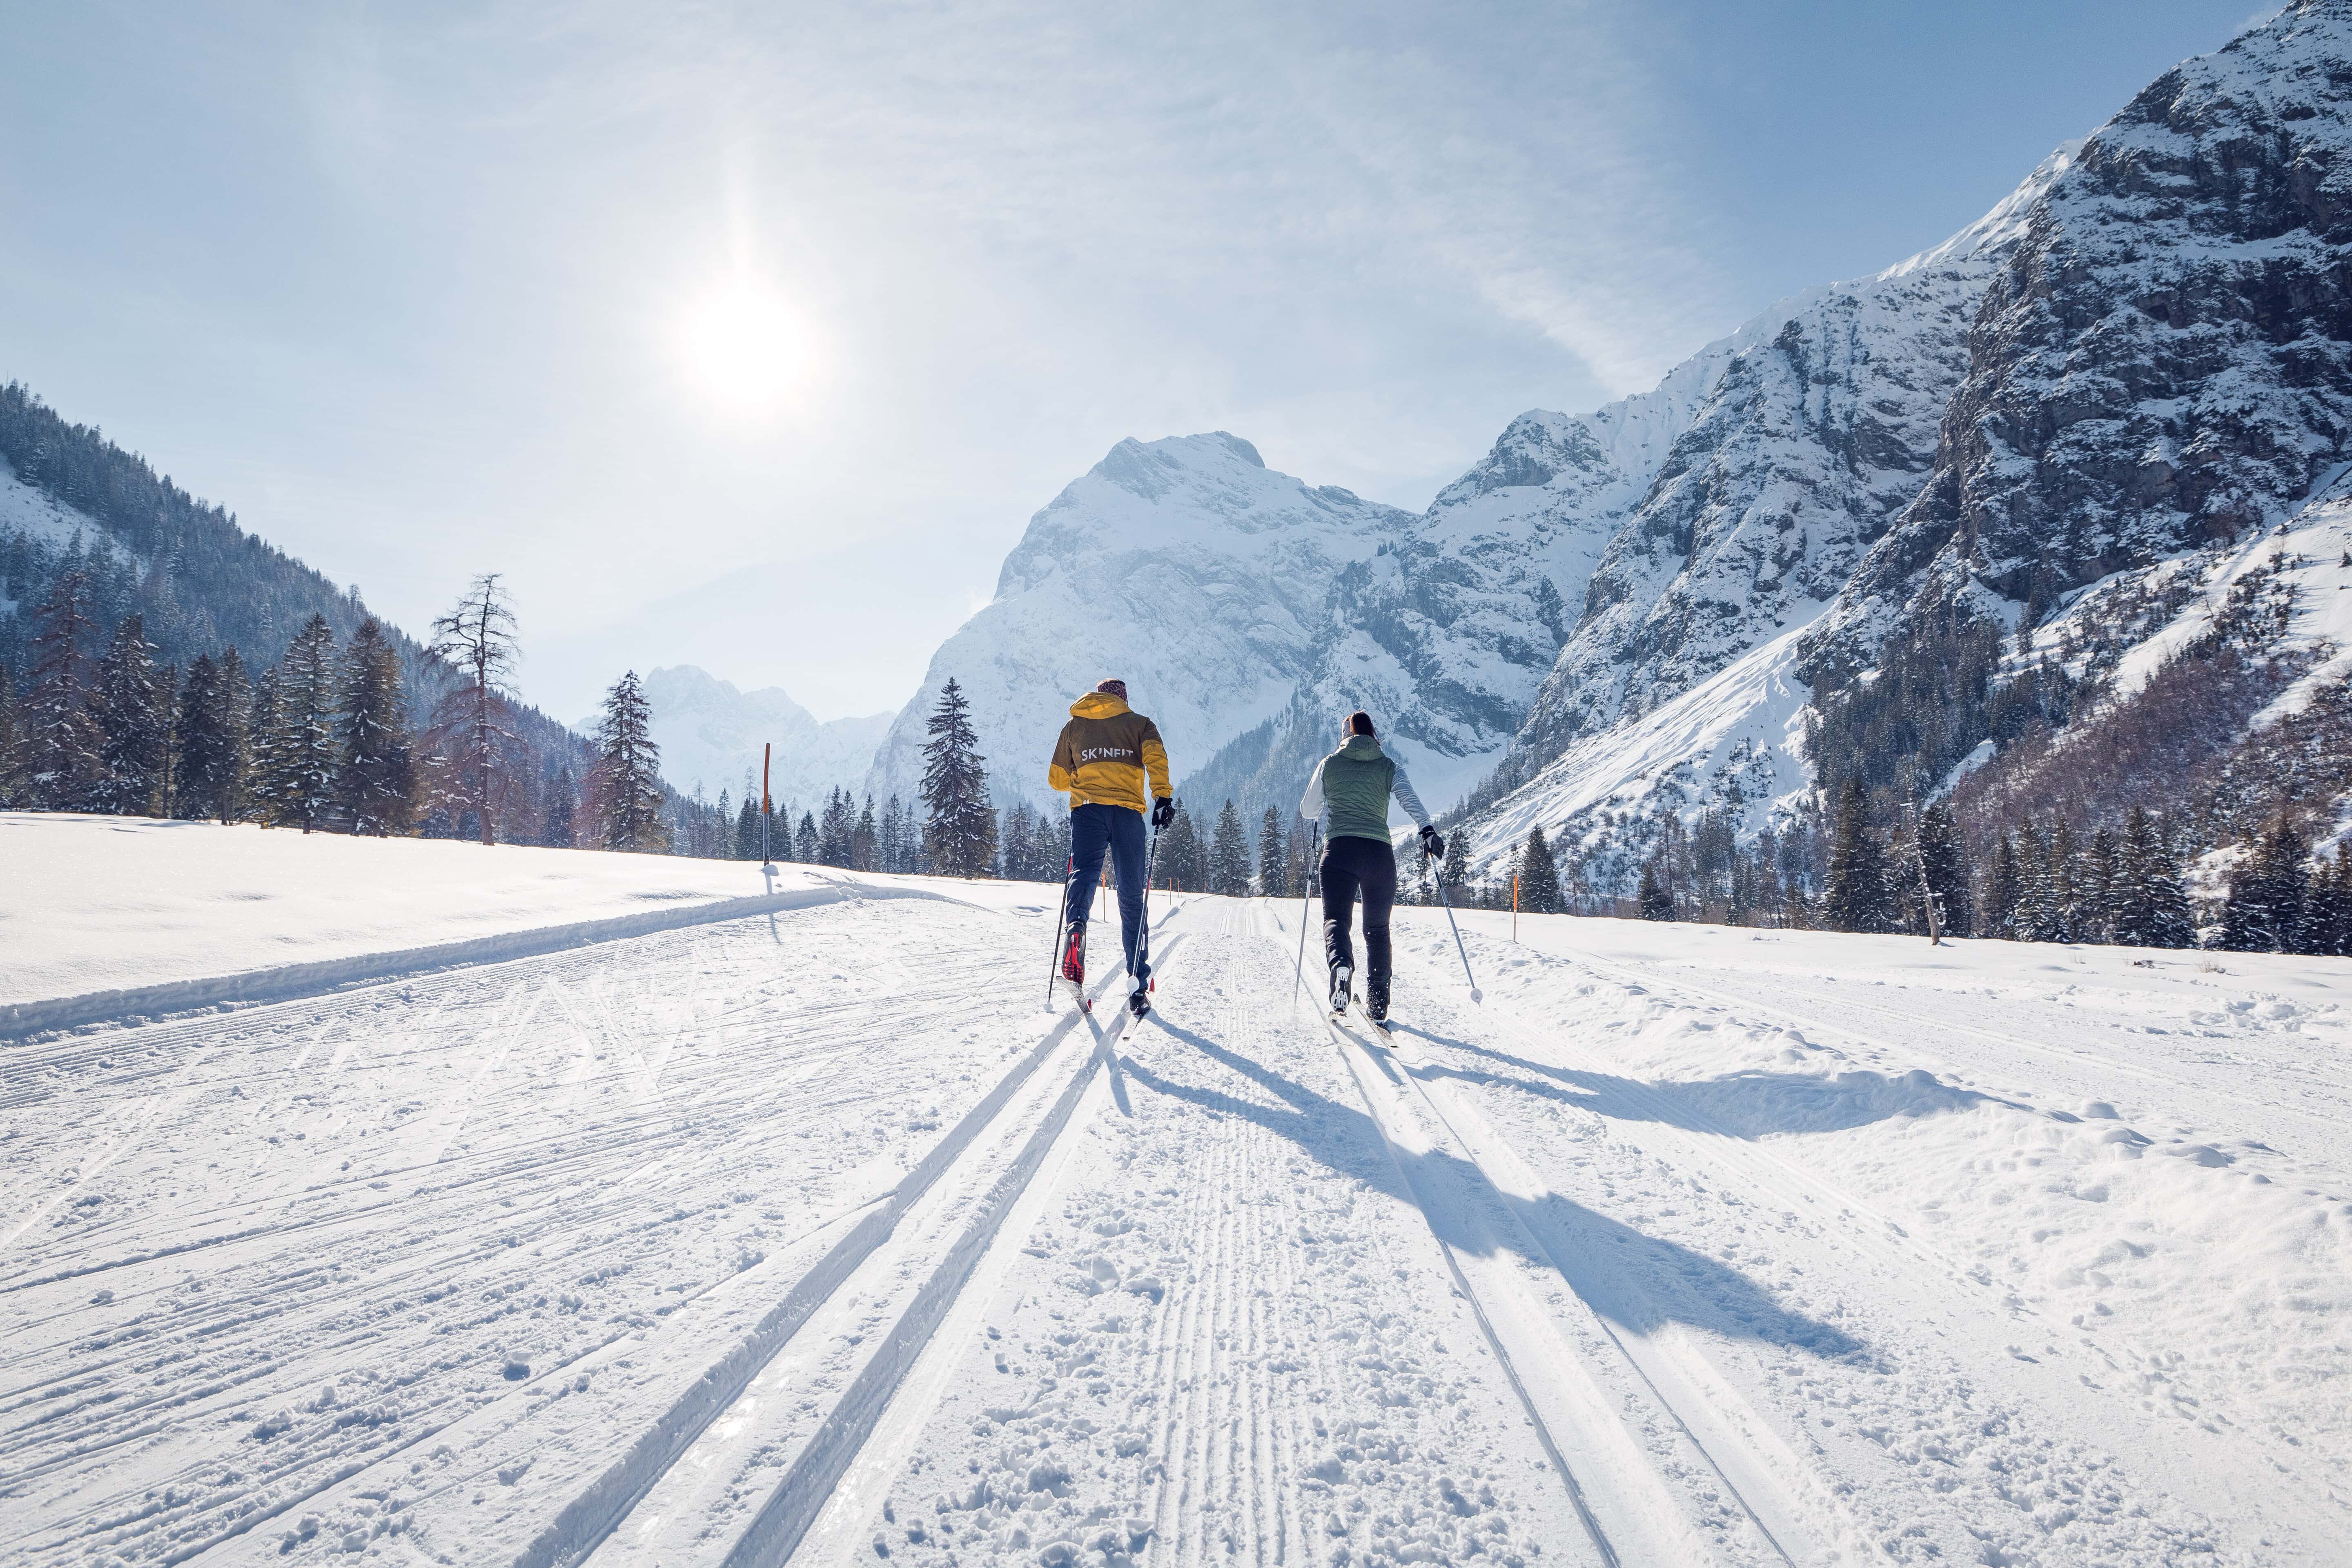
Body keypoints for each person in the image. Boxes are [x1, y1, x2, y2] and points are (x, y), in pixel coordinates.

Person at [1299, 710, 1443, 1023]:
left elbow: (1308, 810)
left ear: (1345, 737)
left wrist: (1328, 799)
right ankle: (1378, 1006)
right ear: (1372, 735)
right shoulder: (1389, 766)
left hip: (1340, 851)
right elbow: (1409, 799)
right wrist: (1427, 830)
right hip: (1379, 854)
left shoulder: (1330, 763)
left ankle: (1341, 966)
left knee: (1337, 920)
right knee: (1378, 930)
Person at [1047, 678, 1175, 1015]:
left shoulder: (1074, 727)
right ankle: (1137, 983)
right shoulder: (1140, 725)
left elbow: (1057, 779)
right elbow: (1156, 759)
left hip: (1087, 811)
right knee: (1132, 897)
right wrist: (1162, 796)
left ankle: (1076, 929)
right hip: (1127, 815)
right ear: (1123, 700)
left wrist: (1084, 769)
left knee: (1084, 873)